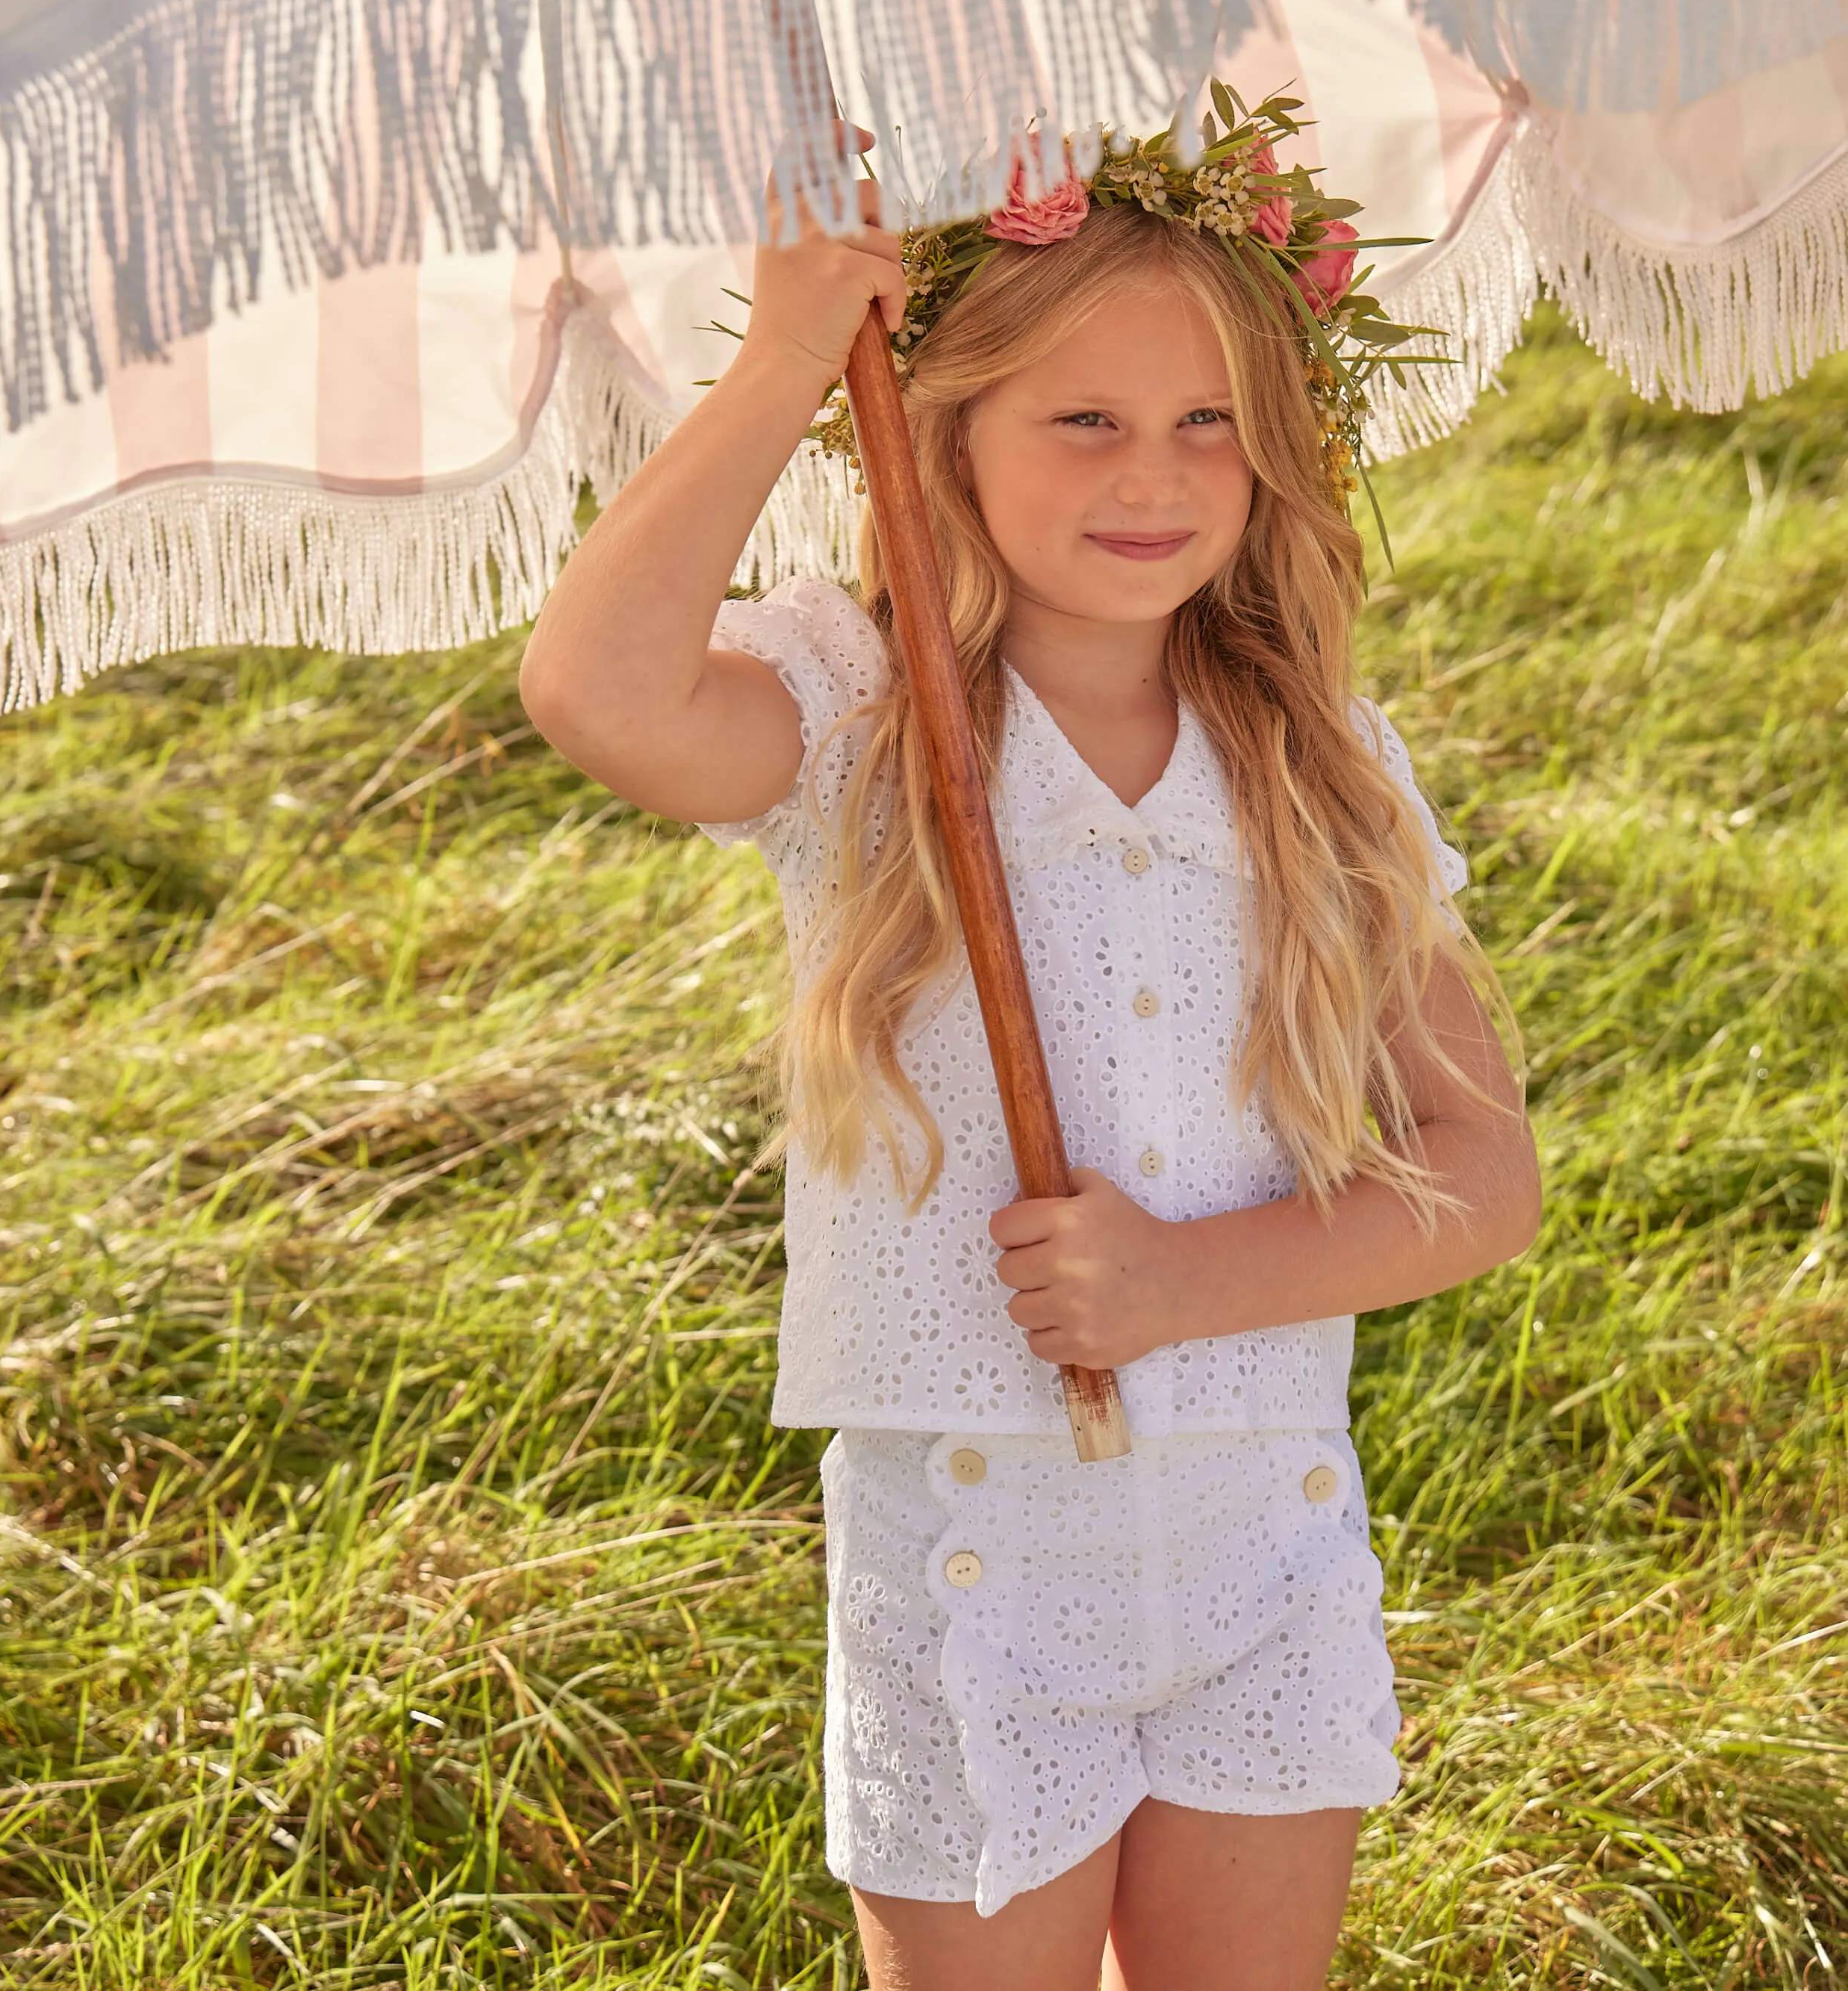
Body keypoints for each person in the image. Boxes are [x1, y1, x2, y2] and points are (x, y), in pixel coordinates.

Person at [519, 125, 1541, 1991]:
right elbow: (599, 695)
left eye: (1207, 423)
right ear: (945, 437)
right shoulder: (858, 708)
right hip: (980, 1580)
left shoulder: (1326, 766)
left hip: (1264, 1552)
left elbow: (1482, 1179)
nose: (1153, 476)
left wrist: (1178, 1279)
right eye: (1083, 422)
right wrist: (783, 360)